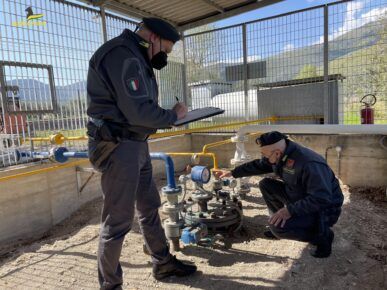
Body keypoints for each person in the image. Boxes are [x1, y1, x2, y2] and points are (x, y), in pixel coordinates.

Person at [86, 17, 197, 289]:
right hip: (118, 147)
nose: (165, 56)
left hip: (135, 144)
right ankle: (110, 286)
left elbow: (140, 111)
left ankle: (162, 262)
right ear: (154, 38)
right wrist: (173, 115)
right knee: (117, 223)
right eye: (166, 50)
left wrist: (169, 116)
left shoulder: (136, 56)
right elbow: (139, 111)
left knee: (149, 206)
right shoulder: (121, 55)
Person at [213, 131, 344, 258]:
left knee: (278, 228)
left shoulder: (309, 163)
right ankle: (278, 219)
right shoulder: (282, 155)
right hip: (301, 196)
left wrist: (289, 210)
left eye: (265, 155)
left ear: (277, 153)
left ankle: (323, 236)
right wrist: (233, 173)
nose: (264, 158)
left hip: (324, 209)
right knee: (266, 184)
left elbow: (321, 199)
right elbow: (259, 165)